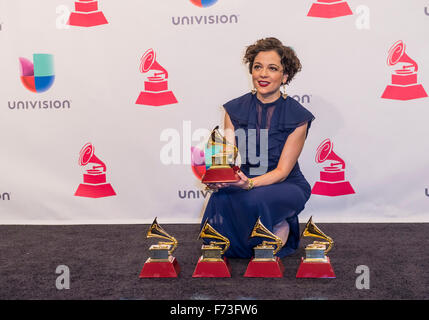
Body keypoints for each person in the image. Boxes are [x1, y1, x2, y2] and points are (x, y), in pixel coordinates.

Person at [201, 37, 315, 258]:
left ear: (284, 76)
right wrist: (221, 176)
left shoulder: (298, 116)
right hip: (245, 176)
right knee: (220, 198)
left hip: (287, 183)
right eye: (257, 67)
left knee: (256, 198)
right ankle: (258, 235)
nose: (263, 74)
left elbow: (282, 172)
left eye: (272, 68)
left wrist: (249, 184)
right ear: (251, 71)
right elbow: (227, 158)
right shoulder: (234, 109)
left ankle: (278, 225)